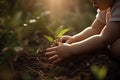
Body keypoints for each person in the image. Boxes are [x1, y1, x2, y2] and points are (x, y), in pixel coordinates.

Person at [45, 0, 120, 64]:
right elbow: (94, 29)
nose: (92, 1)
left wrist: (71, 49)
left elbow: (104, 39)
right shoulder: (106, 7)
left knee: (117, 47)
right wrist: (74, 39)